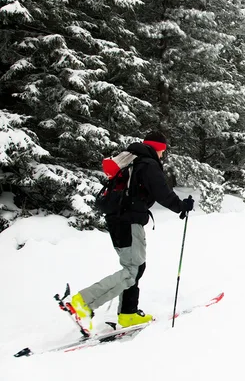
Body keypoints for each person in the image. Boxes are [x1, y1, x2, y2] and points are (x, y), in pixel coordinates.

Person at [70, 131, 194, 329]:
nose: (163, 155)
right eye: (163, 151)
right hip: (128, 220)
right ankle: (83, 303)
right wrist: (181, 206)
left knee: (136, 267)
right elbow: (161, 191)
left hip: (118, 218)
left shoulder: (132, 159)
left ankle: (128, 314)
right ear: (159, 148)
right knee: (132, 270)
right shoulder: (147, 163)